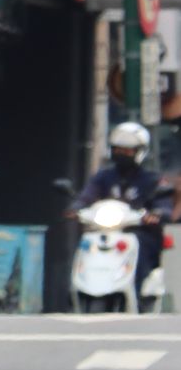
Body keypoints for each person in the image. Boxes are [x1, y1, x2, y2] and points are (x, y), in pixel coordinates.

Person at [74, 121, 172, 299]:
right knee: (87, 242)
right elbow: (87, 195)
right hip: (106, 231)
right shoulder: (103, 177)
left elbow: (164, 205)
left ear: (139, 152)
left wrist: (157, 214)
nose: (122, 154)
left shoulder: (152, 180)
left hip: (139, 231)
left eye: (128, 150)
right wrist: (76, 208)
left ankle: (139, 289)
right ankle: (80, 289)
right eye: (118, 149)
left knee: (141, 244)